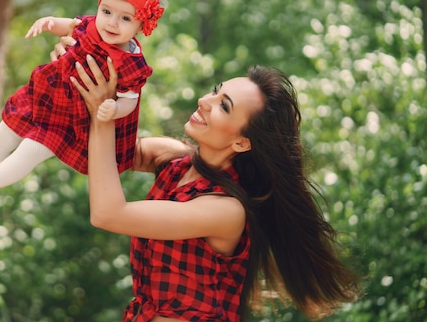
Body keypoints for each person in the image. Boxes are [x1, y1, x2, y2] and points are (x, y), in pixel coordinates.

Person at [70, 55, 360, 322]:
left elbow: (107, 214)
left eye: (224, 106)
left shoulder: (226, 209)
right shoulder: (172, 158)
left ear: (242, 142)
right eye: (215, 90)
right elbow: (92, 150)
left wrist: (102, 113)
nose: (204, 101)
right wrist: (81, 62)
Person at [0, 0, 165, 213]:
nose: (111, 23)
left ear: (142, 26)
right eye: (106, 12)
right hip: (47, 95)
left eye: (125, 18)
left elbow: (130, 99)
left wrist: (115, 108)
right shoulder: (90, 25)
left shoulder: (131, 63)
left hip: (73, 117)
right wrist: (49, 22)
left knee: (30, 149)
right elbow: (69, 25)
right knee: (4, 130)